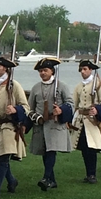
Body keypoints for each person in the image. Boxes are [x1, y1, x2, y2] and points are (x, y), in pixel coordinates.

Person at [26, 57, 73, 191]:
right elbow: (30, 108)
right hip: (41, 125)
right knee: (45, 153)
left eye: (45, 70)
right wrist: (33, 119)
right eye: (40, 71)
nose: (42, 73)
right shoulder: (35, 88)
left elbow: (70, 104)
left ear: (52, 71)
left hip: (55, 124)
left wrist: (61, 110)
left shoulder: (61, 86)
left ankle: (46, 178)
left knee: (51, 151)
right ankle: (51, 180)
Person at [0, 56, 29, 199]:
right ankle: (11, 180)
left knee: (4, 159)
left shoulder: (14, 85)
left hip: (9, 127)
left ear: (5, 68)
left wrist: (16, 110)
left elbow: (25, 107)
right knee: (0, 158)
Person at [70, 60, 101, 184]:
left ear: (90, 70)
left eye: (85, 69)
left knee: (91, 148)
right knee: (84, 149)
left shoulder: (98, 85)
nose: (83, 71)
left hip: (92, 121)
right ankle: (88, 173)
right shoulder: (78, 87)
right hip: (80, 120)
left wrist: (96, 110)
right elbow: (74, 104)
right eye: (81, 69)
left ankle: (92, 174)